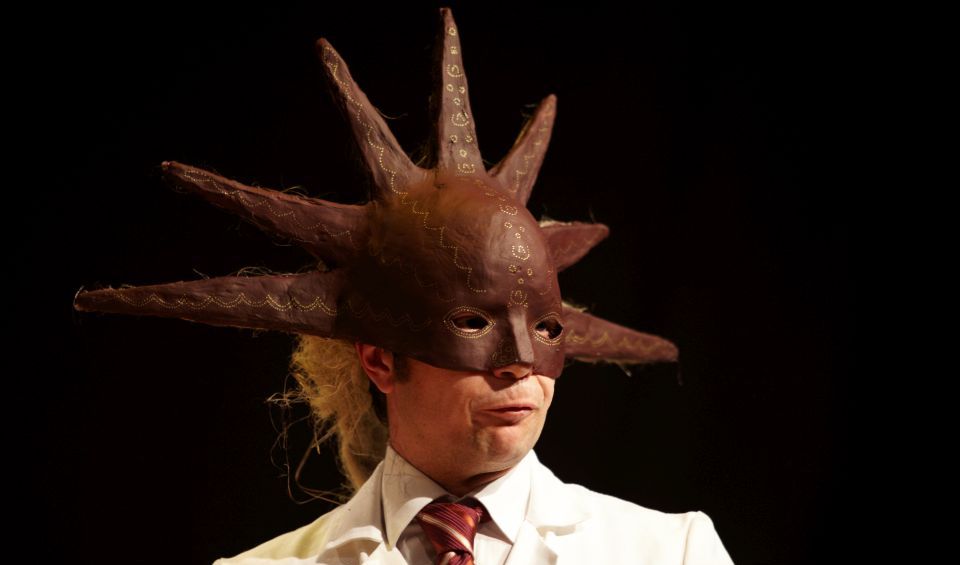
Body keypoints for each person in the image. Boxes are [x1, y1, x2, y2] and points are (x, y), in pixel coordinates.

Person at [74, 7, 735, 564]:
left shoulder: (671, 552)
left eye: (546, 327)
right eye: (472, 322)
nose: (521, 364)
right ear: (380, 357)